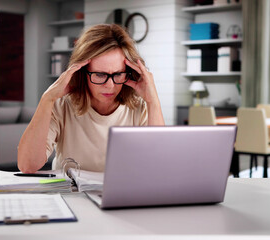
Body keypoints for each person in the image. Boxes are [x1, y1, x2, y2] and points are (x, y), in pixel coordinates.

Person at [17, 24, 164, 173]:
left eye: (118, 74)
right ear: (82, 73)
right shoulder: (62, 105)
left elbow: (159, 166)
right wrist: (47, 99)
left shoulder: (139, 107)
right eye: (100, 75)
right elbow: (27, 165)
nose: (110, 85)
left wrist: (153, 102)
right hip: (69, 194)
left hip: (121, 194)